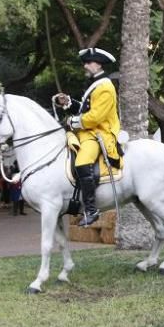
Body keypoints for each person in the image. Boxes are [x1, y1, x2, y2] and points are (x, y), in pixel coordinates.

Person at [54, 47, 121, 227]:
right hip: (88, 131)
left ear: (98, 64)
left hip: (100, 133)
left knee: (82, 161)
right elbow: (86, 110)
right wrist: (68, 102)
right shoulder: (95, 84)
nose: (85, 65)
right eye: (85, 62)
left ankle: (91, 209)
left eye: (88, 62)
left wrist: (72, 122)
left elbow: (96, 117)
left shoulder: (105, 87)